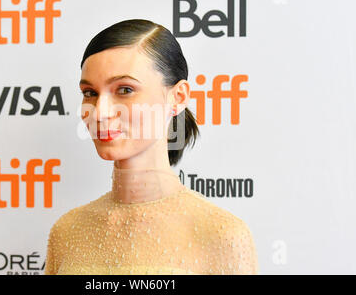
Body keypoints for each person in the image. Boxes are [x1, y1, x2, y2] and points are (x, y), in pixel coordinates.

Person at [44, 19, 258, 275]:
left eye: (125, 89)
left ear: (177, 97)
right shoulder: (67, 231)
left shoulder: (222, 235)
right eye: (90, 93)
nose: (99, 113)